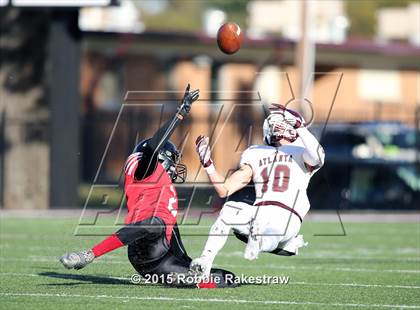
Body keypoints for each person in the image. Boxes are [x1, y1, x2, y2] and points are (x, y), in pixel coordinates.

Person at [60, 85, 235, 288]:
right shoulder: (145, 170)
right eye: (172, 160)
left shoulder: (163, 187)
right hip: (148, 253)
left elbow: (173, 236)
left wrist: (188, 263)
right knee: (156, 222)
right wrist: (180, 112)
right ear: (161, 158)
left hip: (164, 255)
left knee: (226, 278)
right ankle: (89, 254)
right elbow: (153, 147)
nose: (174, 167)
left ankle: (194, 278)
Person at [190, 104, 325, 277]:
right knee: (229, 210)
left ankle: (260, 242)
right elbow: (225, 190)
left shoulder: (302, 152)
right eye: (278, 125)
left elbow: (318, 157)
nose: (280, 129)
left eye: (283, 125)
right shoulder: (256, 153)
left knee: (268, 233)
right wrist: (208, 166)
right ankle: (205, 260)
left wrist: (300, 127)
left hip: (287, 213)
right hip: (261, 211)